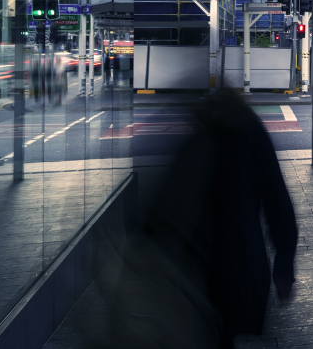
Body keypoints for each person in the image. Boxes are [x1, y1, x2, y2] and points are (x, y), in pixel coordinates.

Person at [102, 91, 298, 347]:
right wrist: (283, 264)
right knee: (224, 331)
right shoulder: (248, 134)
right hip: (236, 262)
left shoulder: (197, 138)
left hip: (192, 266)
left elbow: (164, 206)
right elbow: (277, 200)